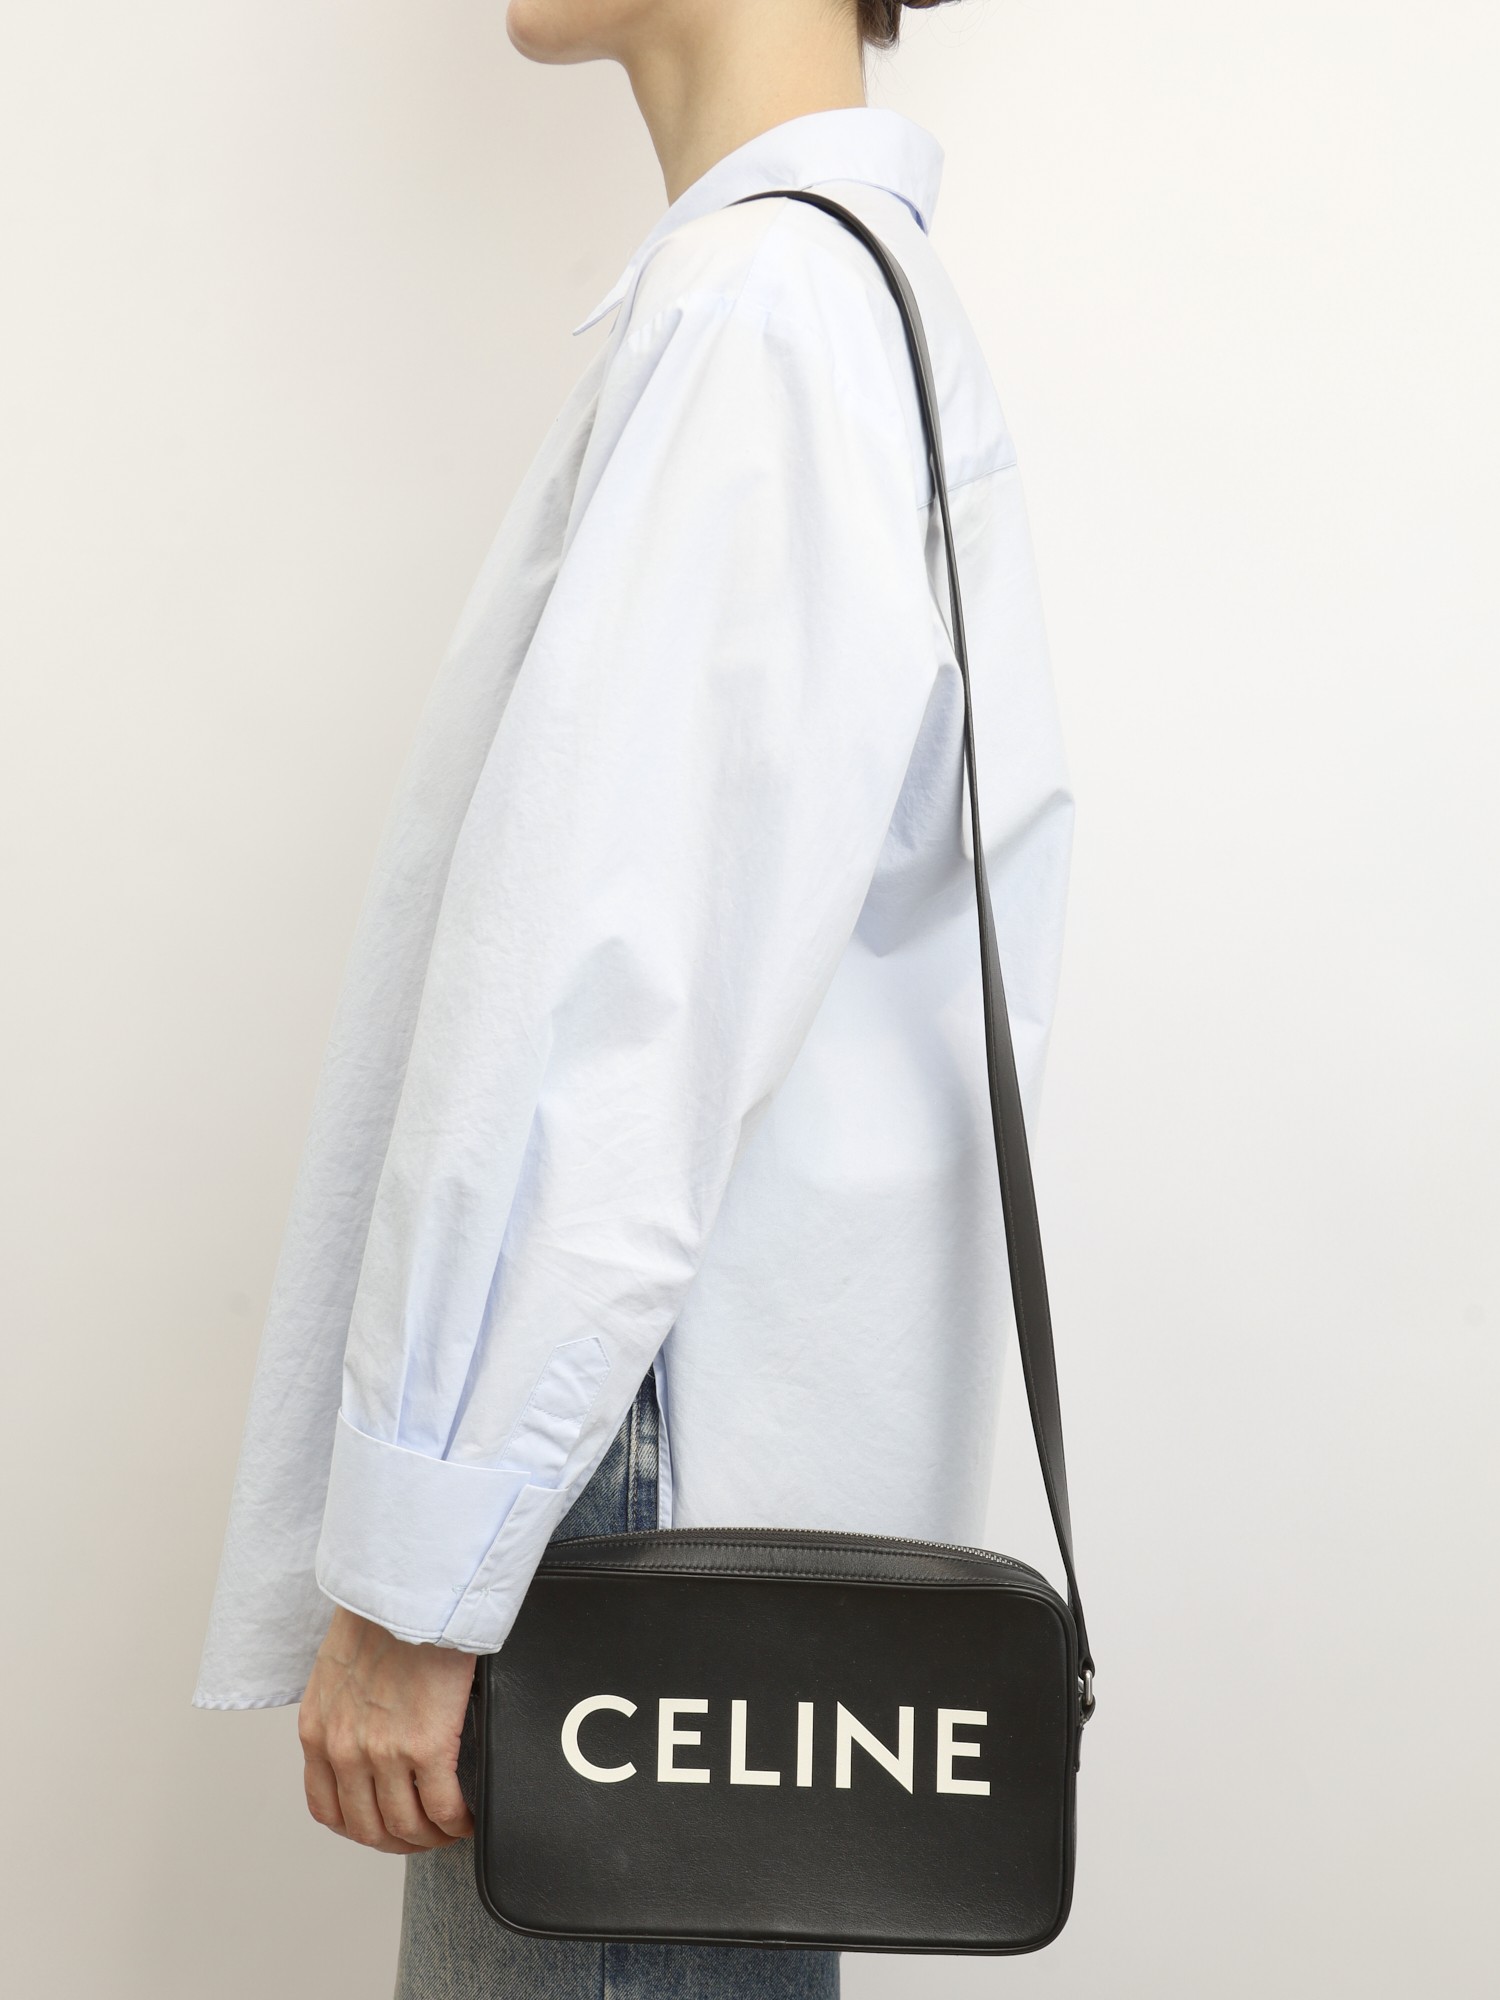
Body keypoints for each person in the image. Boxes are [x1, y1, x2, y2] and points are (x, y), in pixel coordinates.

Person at [194, 1, 1074, 1993]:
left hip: (610, 1484)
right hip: (666, 1470)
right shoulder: (836, 304)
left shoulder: (764, 314)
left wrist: (420, 1570)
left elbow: (609, 1014)